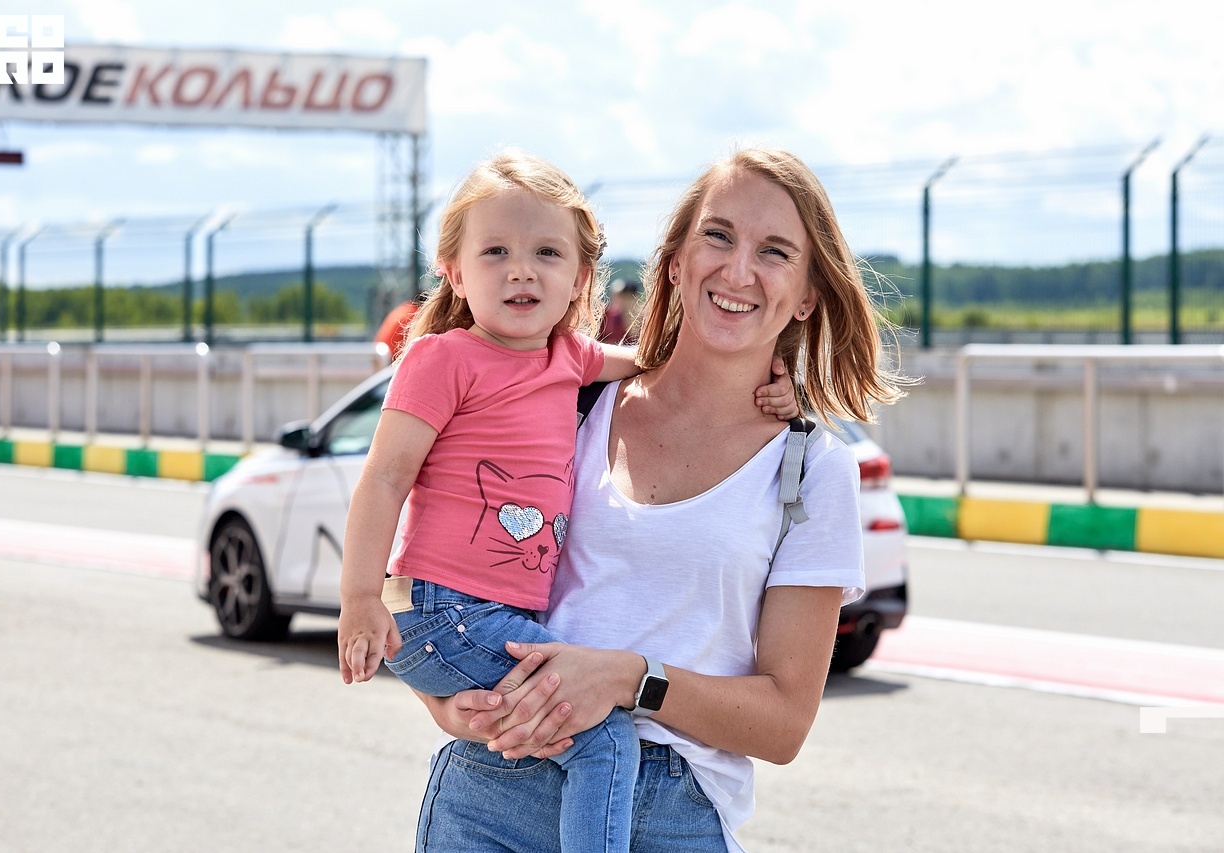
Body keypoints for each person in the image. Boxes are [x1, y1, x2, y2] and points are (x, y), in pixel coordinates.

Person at [414, 147, 906, 853]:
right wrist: (445, 704)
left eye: (774, 252)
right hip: (493, 790)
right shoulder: (570, 399)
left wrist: (628, 678)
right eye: (718, 236)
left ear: (805, 294)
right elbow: (423, 571)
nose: (738, 270)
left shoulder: (812, 469)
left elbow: (783, 723)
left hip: (669, 816)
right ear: (675, 261)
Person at [336, 150, 801, 853]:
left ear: (581, 277)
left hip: (494, 621)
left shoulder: (571, 360)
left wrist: (779, 376)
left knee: (584, 735)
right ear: (454, 271)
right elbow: (384, 477)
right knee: (605, 741)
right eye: (495, 251)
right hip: (448, 609)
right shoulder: (442, 357)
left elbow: (667, 366)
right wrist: (359, 597)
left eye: (546, 253)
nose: (521, 270)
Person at [599, 278, 641, 345]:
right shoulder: (606, 316)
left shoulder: (643, 319)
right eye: (623, 296)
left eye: (630, 297)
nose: (626, 301)